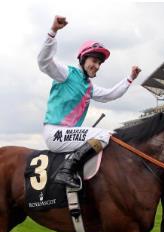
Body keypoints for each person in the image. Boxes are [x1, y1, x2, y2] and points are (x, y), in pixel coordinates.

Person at [38, 15, 141, 188]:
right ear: (83, 59)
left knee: (107, 136)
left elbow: (110, 95)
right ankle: (66, 170)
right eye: (94, 61)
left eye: (99, 63)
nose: (97, 66)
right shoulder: (66, 73)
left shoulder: (89, 87)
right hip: (55, 133)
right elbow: (44, 62)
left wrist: (130, 79)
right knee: (104, 135)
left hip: (67, 135)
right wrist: (53, 32)